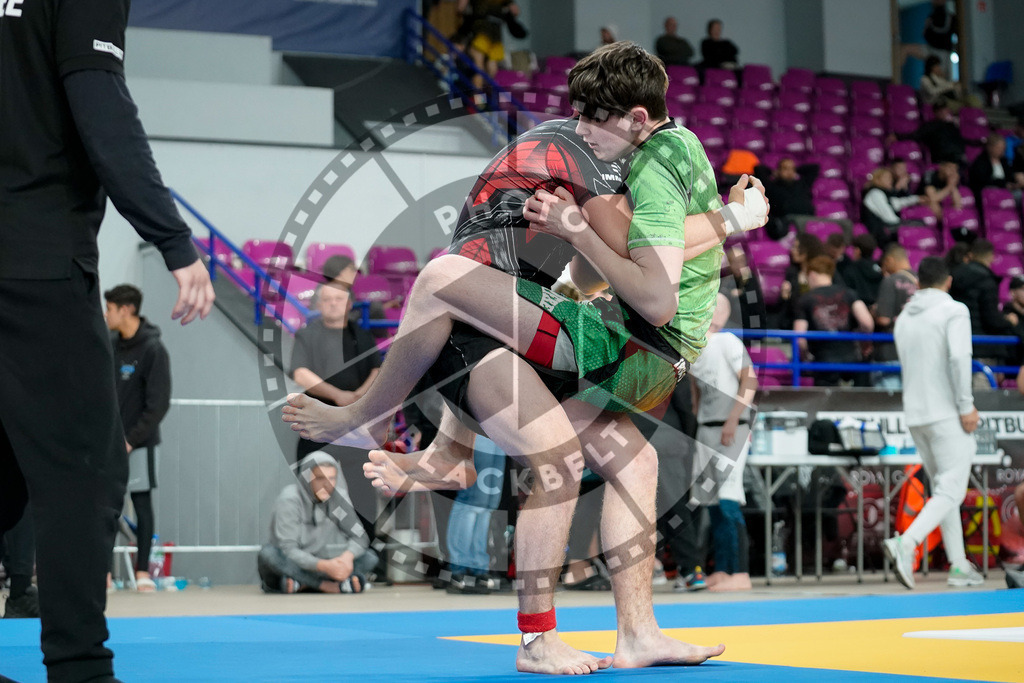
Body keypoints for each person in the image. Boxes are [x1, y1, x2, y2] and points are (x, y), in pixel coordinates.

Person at [288, 43, 768, 673]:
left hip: (514, 318)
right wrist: (731, 218)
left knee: (632, 463)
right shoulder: (598, 156)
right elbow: (634, 264)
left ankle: (636, 633)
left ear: (638, 119)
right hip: (484, 323)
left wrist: (724, 218)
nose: (585, 125)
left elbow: (631, 260)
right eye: (581, 113)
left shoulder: (621, 164)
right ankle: (391, 431)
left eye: (596, 117)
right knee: (453, 297)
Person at [0, 2, 215, 680]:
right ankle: (79, 667)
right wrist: (173, 240)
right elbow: (100, 107)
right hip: (33, 259)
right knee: (84, 470)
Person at [883, 257, 983, 589]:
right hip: (947, 413)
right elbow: (959, 357)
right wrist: (966, 405)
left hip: (916, 414)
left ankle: (958, 565)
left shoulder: (903, 319)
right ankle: (905, 544)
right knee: (950, 489)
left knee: (945, 490)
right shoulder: (954, 310)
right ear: (948, 281)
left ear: (918, 281)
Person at [104, 284, 172, 593]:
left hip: (140, 444)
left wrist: (130, 440)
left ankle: (143, 572)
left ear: (126, 310)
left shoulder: (153, 349)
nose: (106, 315)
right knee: (106, 510)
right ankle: (103, 573)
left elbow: (158, 404)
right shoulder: (110, 344)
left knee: (141, 506)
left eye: (110, 308)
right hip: (108, 444)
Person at [689, 294, 756, 592]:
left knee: (728, 500)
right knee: (712, 503)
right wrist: (697, 415)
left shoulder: (728, 341)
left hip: (730, 428)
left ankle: (740, 572)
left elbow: (749, 380)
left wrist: (734, 419)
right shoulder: (695, 347)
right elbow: (695, 389)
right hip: (706, 428)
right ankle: (724, 569)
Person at [258, 452, 377, 594]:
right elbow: (288, 550)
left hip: (321, 561)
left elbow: (360, 537)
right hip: (296, 563)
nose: (327, 485)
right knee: (268, 555)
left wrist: (346, 558)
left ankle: (302, 583)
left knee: (370, 557)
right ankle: (326, 585)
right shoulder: (290, 499)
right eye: (320, 478)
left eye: (332, 478)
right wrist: (324, 566)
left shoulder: (337, 499)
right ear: (307, 478)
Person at [794, 256, 875, 387]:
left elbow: (799, 338)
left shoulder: (805, 299)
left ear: (812, 274)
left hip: (823, 362)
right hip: (851, 359)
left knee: (825, 405)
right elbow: (867, 323)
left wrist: (804, 359)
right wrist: (865, 344)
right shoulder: (849, 293)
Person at [950, 239, 1019, 382]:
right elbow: (991, 319)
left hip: (958, 344)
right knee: (983, 400)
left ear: (971, 254)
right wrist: (1008, 321)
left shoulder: (953, 276)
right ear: (991, 256)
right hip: (982, 348)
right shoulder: (987, 281)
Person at [446, 435, 505, 593]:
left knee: (488, 503)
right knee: (472, 499)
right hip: (476, 426)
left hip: (499, 429)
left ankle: (479, 568)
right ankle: (460, 569)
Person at [873, 245, 919, 389]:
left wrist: (874, 311)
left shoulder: (890, 281)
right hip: (916, 353)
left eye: (884, 264)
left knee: (888, 407)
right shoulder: (922, 282)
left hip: (890, 351)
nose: (882, 269)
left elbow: (883, 319)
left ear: (889, 260)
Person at [860, 167, 927, 248]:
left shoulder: (883, 193)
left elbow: (897, 202)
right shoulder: (875, 193)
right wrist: (904, 224)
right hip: (881, 232)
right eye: (887, 178)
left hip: (887, 227)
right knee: (917, 225)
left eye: (890, 178)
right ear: (877, 180)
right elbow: (889, 218)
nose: (890, 180)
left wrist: (917, 199)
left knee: (919, 223)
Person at [754, 158, 820, 240]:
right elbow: (758, 169)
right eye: (785, 168)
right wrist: (773, 172)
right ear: (778, 171)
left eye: (792, 169)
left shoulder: (803, 184)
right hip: (784, 226)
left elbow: (815, 168)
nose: (789, 172)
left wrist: (797, 170)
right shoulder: (771, 186)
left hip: (807, 222)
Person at [895, 102, 966, 165]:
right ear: (936, 113)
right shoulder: (932, 125)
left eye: (945, 110)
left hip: (958, 158)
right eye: (941, 111)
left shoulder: (953, 126)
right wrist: (898, 137)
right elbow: (916, 135)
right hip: (943, 161)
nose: (944, 112)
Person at [968, 134, 1022, 204]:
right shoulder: (980, 162)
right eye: (999, 148)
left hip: (1005, 189)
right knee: (1017, 195)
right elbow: (982, 180)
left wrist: (1016, 180)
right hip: (988, 191)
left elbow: (1009, 176)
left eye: (1003, 148)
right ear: (990, 147)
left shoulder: (1004, 161)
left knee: (1019, 193)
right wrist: (1003, 184)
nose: (1002, 151)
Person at [838, 234, 883, 307]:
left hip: (858, 310)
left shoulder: (850, 270)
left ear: (858, 251)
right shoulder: (880, 270)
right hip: (878, 308)